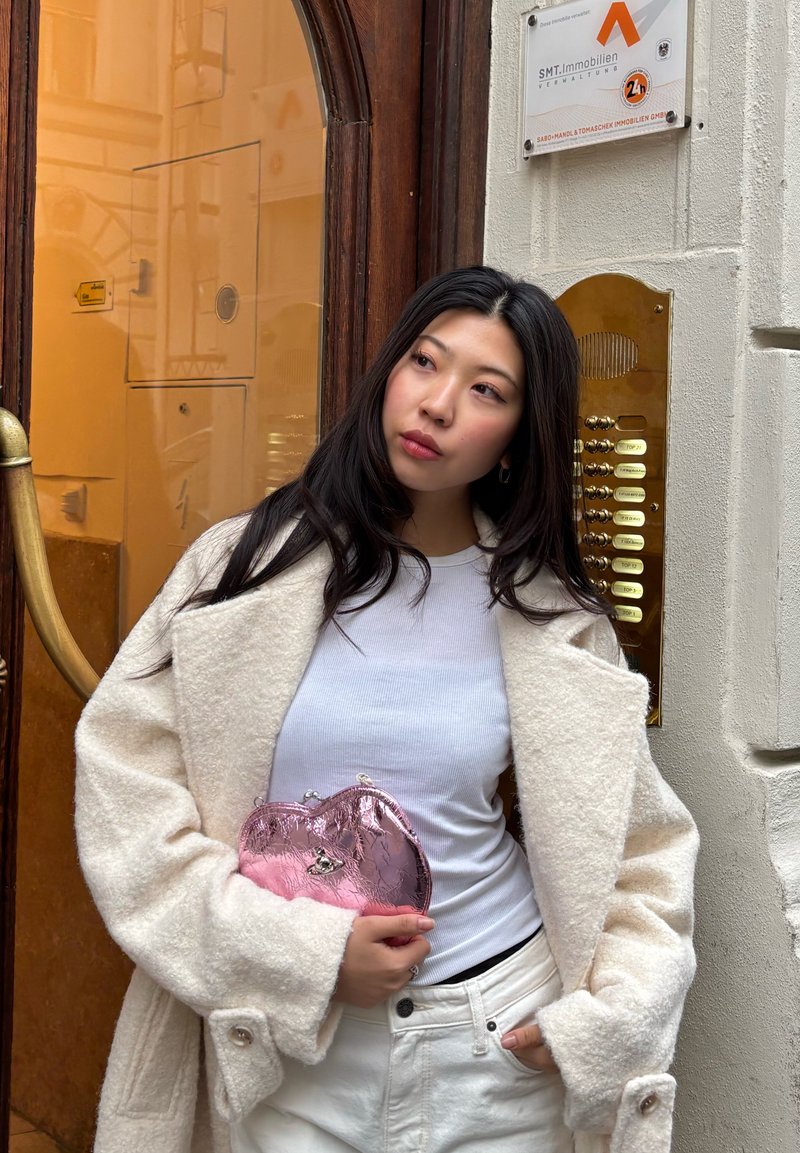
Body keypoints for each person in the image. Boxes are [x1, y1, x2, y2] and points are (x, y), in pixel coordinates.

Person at [75, 266, 698, 1153]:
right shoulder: (243, 568)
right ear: (388, 374)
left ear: (517, 438)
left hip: (498, 1043)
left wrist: (608, 1021)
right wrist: (303, 954)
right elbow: (126, 787)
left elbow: (643, 848)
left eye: (486, 390)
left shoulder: (550, 613)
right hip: (292, 1047)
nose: (437, 404)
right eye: (424, 362)